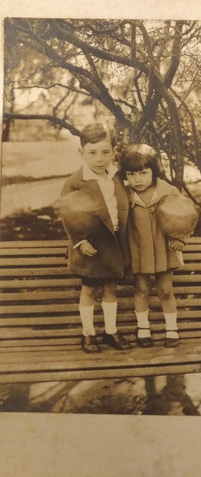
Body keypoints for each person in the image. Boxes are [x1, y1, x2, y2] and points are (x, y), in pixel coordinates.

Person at [60, 122, 131, 353]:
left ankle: (110, 331)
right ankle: (88, 334)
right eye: (92, 153)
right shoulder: (75, 182)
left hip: (113, 244)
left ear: (113, 152)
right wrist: (79, 240)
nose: (100, 159)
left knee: (111, 289)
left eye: (105, 152)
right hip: (90, 246)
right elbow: (68, 215)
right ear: (82, 152)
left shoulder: (118, 177)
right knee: (89, 290)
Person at [120, 143, 190, 349]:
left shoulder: (168, 191)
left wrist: (181, 238)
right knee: (141, 289)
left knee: (165, 290)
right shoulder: (124, 194)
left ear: (154, 170)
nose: (137, 179)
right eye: (131, 174)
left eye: (143, 173)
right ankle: (143, 328)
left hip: (164, 249)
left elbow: (184, 216)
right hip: (138, 250)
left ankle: (171, 329)